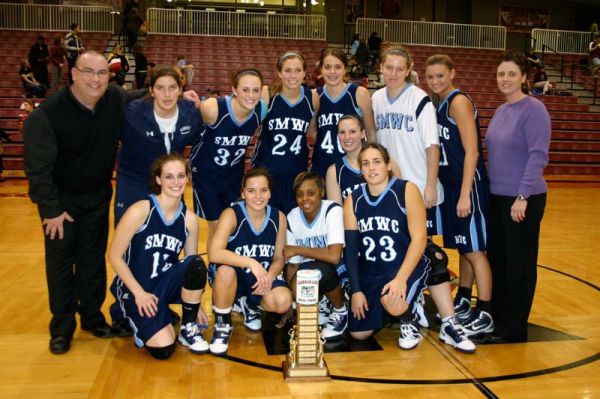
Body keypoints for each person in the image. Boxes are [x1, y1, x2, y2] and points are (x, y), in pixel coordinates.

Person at [23, 51, 147, 355]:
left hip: (97, 196)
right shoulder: (47, 115)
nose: (96, 79)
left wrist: (183, 92)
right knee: (62, 264)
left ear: (110, 76)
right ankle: (62, 326)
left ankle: (92, 317)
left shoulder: (115, 99)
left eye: (102, 73)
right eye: (89, 72)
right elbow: (37, 170)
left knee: (92, 260)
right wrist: (50, 209)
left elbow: (146, 93)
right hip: (60, 202)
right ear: (74, 74)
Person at [372, 46, 475, 352]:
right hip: (392, 190)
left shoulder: (420, 100)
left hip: (418, 188)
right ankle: (413, 303)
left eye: (399, 68)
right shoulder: (376, 99)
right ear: (380, 67)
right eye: (388, 67)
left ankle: (439, 315)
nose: (393, 73)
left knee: (425, 251)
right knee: (404, 249)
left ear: (409, 69)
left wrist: (430, 185)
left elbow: (433, 147)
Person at [342, 144, 454, 350]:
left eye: (377, 162)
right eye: (365, 163)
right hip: (372, 271)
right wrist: (356, 290)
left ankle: (408, 318)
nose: (371, 168)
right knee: (358, 333)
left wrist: (401, 280)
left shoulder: (406, 189)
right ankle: (401, 307)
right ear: (360, 169)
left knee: (392, 298)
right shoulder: (353, 199)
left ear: (388, 165)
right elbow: (350, 249)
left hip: (401, 266)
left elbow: (420, 239)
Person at [109, 153, 208, 359]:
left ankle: (187, 328)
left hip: (165, 284)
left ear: (188, 178)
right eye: (169, 176)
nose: (176, 182)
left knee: (196, 263)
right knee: (163, 350)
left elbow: (191, 264)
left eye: (181, 176)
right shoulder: (140, 210)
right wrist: (139, 293)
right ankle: (132, 315)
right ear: (158, 179)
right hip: (138, 288)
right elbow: (115, 257)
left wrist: (194, 307)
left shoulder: (189, 219)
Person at [424, 54, 494, 338]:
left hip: (469, 185)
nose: (436, 81)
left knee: (476, 251)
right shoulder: (438, 105)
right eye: (430, 77)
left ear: (452, 73)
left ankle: (487, 311)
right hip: (452, 185)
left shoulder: (458, 102)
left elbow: (473, 151)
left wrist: (465, 194)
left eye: (440, 75)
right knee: (465, 247)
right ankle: (464, 297)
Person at [485, 50, 550, 343]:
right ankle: (498, 318)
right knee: (498, 262)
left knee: (519, 266)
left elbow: (537, 156)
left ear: (524, 77)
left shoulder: (534, 109)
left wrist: (522, 196)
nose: (506, 79)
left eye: (512, 73)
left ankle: (513, 328)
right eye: (501, 74)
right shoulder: (501, 110)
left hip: (522, 199)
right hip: (498, 198)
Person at [207, 168, 292, 355]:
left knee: (283, 301)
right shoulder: (231, 214)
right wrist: (251, 262)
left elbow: (279, 258)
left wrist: (270, 276)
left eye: (263, 190)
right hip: (231, 275)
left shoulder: (279, 217)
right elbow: (214, 253)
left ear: (270, 192)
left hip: (259, 277)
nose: (258, 196)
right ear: (243, 193)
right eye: (251, 190)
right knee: (226, 271)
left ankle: (249, 304)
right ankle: (222, 324)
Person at [189, 68, 266, 245]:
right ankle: (215, 270)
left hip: (233, 176)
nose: (251, 95)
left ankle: (227, 268)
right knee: (217, 229)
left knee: (232, 227)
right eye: (245, 90)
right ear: (233, 90)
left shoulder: (261, 109)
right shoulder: (213, 108)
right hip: (206, 174)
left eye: (256, 90)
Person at [284, 172, 348, 341]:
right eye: (300, 194)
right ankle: (322, 301)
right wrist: (292, 302)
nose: (305, 199)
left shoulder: (332, 210)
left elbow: (334, 256)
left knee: (322, 270)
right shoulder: (292, 217)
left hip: (340, 270)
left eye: (310, 193)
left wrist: (299, 249)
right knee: (300, 278)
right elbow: (293, 265)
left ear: (322, 192)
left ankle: (340, 310)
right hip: (311, 272)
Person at [252, 51, 318, 214]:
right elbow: (251, 128)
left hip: (296, 177)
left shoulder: (312, 97)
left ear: (304, 73)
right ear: (279, 73)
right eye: (288, 70)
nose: (293, 75)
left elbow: (313, 132)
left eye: (298, 70)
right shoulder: (267, 94)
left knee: (292, 229)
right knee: (266, 226)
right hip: (266, 173)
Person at [311, 48, 376, 179]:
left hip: (353, 166)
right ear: (321, 69)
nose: (332, 72)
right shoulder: (315, 95)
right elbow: (312, 132)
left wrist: (370, 161)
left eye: (338, 67)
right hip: (322, 165)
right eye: (327, 67)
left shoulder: (358, 93)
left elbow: (371, 133)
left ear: (345, 69)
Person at [325, 114, 400, 205]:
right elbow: (336, 215)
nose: (347, 137)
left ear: (363, 134)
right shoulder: (334, 171)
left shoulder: (386, 162)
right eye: (342, 132)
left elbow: (400, 201)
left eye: (352, 131)